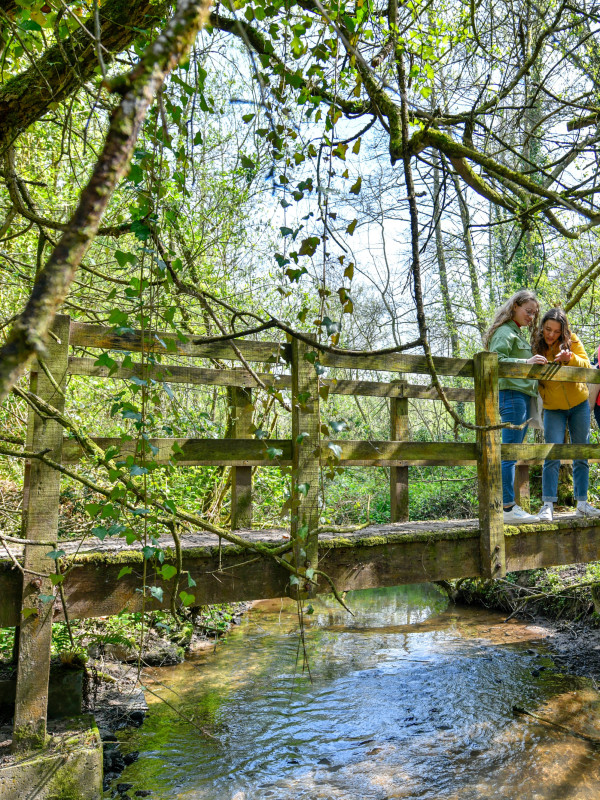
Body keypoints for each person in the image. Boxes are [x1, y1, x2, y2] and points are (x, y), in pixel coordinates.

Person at [533, 308, 600, 521]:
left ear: (563, 331)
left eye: (556, 331)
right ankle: (547, 504)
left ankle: (582, 503)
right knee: (552, 454)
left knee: (581, 452)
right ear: (542, 327)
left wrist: (570, 358)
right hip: (553, 408)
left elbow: (588, 365)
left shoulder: (572, 340)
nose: (551, 334)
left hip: (579, 404)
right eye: (547, 329)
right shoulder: (537, 344)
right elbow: (528, 372)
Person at [486, 290, 546, 524]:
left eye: (534, 314)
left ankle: (508, 507)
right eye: (527, 311)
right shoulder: (504, 332)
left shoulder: (516, 333)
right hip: (511, 395)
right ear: (514, 307)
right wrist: (527, 362)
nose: (531, 317)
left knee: (512, 451)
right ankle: (508, 508)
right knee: (509, 452)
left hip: (521, 396)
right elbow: (494, 361)